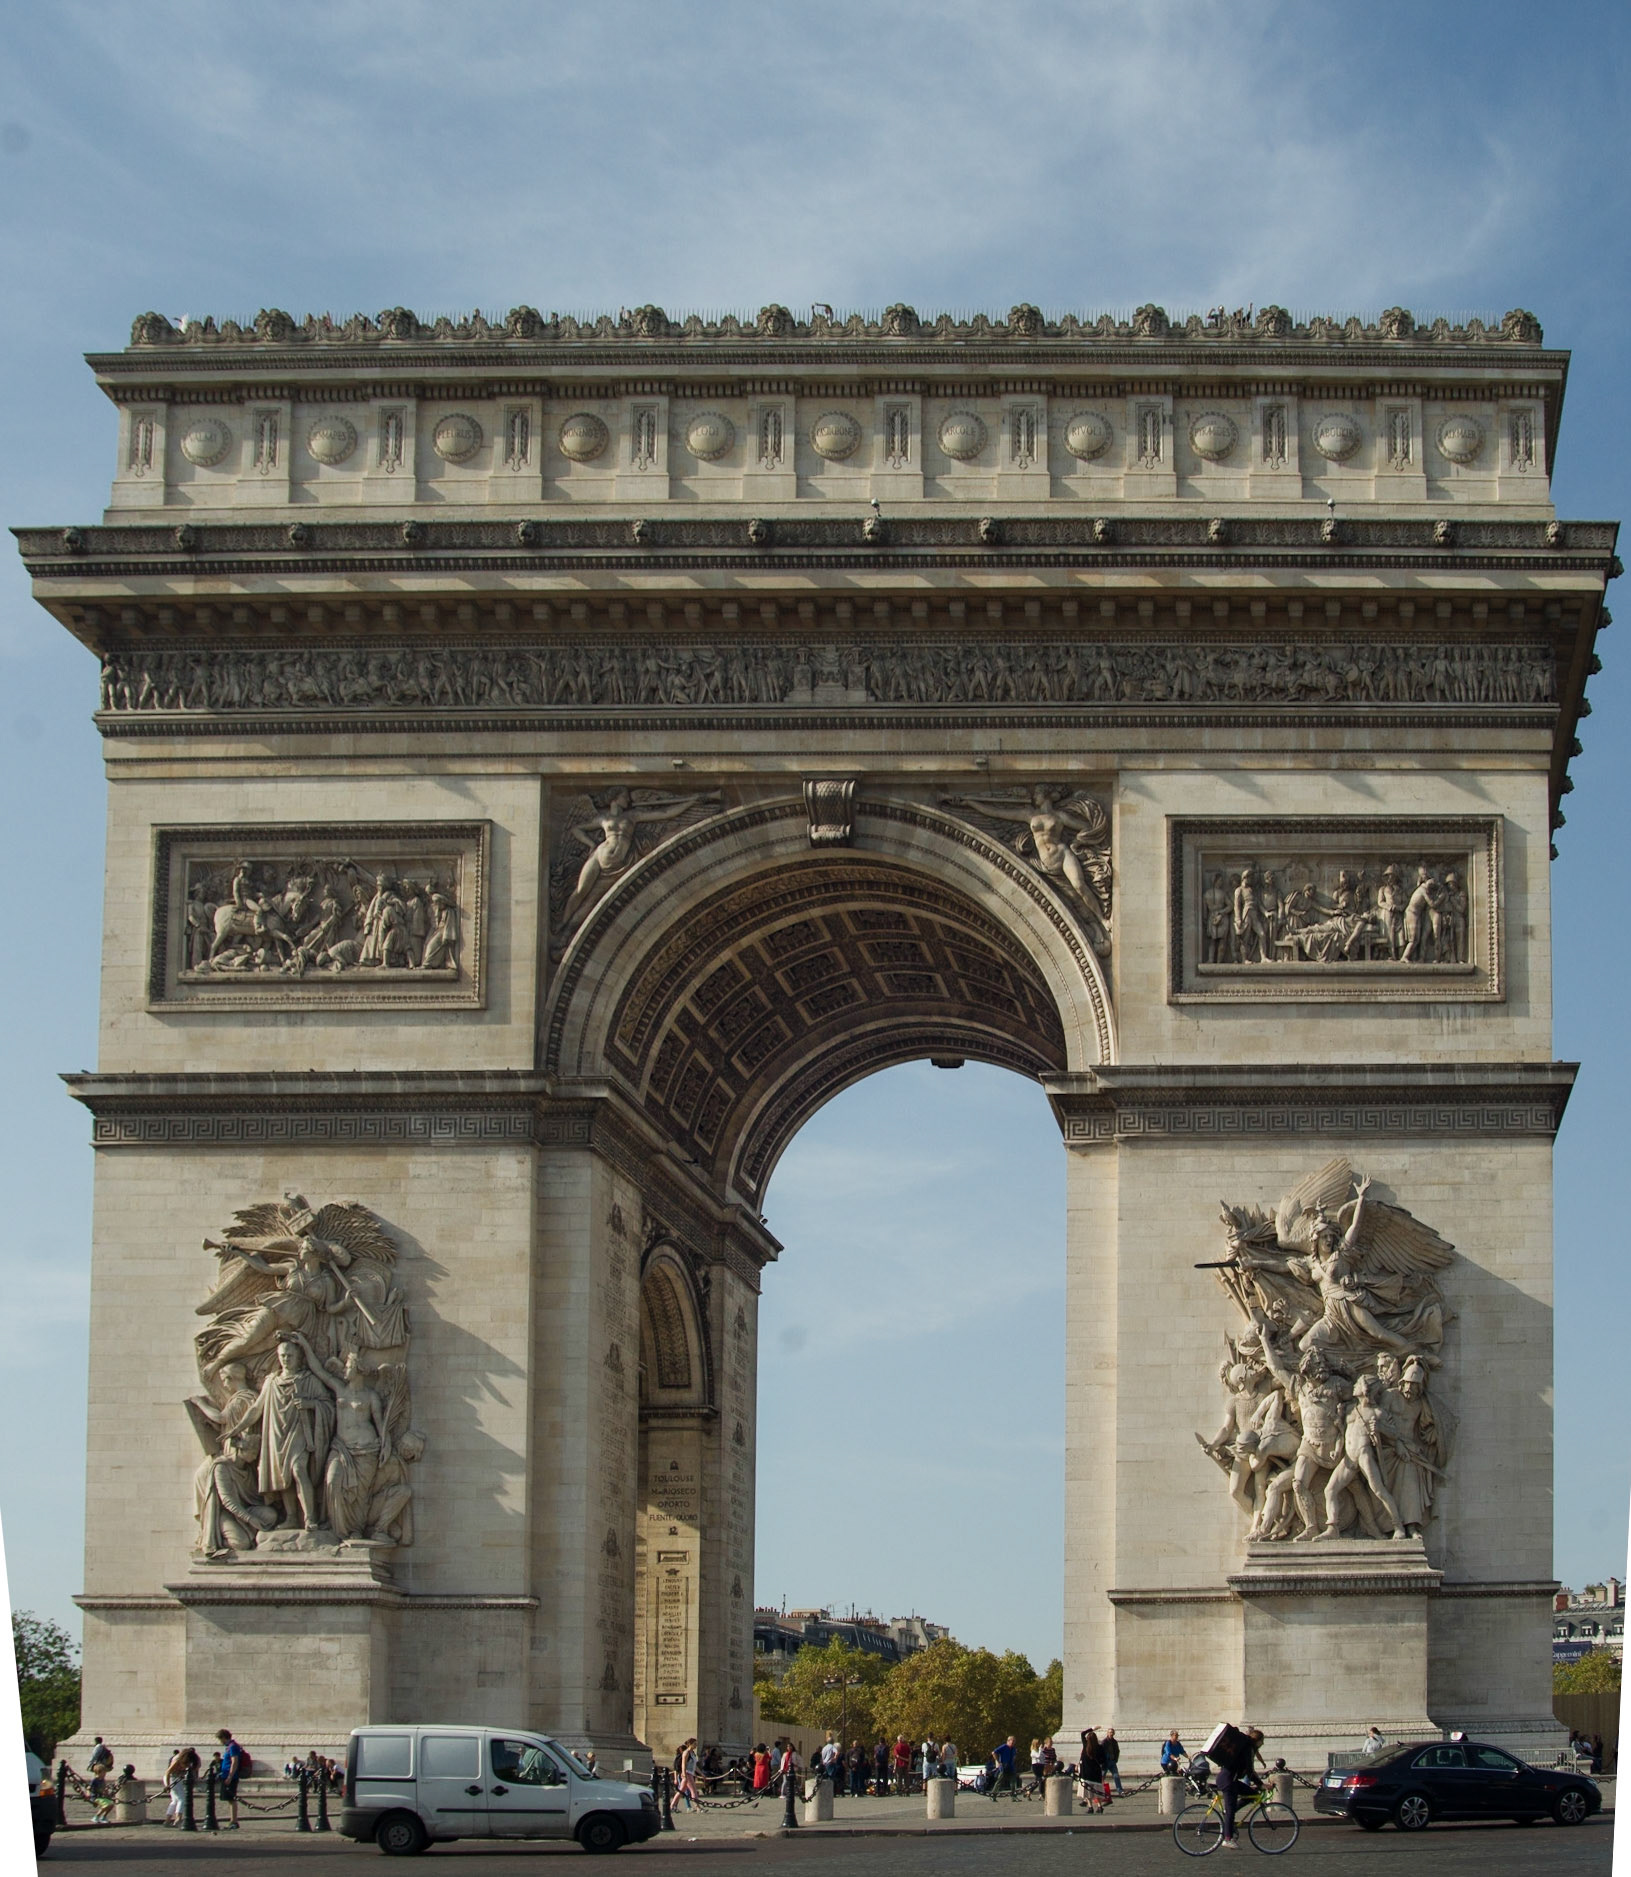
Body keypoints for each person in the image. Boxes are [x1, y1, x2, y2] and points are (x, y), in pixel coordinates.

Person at [1211, 1724, 1265, 1850]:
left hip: (1228, 1780)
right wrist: (1261, 1784)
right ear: (1258, 1741)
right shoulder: (1248, 1748)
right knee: (1230, 1812)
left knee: (1253, 1795)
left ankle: (1230, 1813)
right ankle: (1227, 1839)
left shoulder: (1244, 1745)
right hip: (1229, 1781)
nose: (1262, 1744)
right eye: (1262, 1741)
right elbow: (1249, 1771)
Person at [216, 1728, 245, 1829]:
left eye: (220, 1739)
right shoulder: (229, 1746)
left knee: (232, 1799)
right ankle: (232, 1820)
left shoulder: (233, 1747)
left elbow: (234, 1762)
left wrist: (230, 1776)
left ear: (224, 1737)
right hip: (226, 1775)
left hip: (230, 1776)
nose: (220, 1742)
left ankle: (234, 1821)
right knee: (229, 1799)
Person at [164, 1746, 199, 1825]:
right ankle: (178, 1818)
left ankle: (168, 1819)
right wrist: (168, 1785)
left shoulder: (187, 1759)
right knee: (182, 1798)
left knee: (175, 1800)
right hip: (172, 1778)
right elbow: (168, 1772)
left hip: (177, 1778)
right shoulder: (177, 1760)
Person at [1078, 1729, 1105, 1813]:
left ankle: (1090, 1807)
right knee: (1097, 1790)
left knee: (1088, 1791)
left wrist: (1092, 1728)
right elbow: (1103, 1760)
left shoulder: (1086, 1745)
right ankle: (1100, 1806)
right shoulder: (1100, 1748)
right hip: (1096, 1772)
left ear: (1087, 1739)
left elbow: (1082, 1733)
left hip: (1086, 1773)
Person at [989, 1734, 1018, 1801]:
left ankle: (1013, 1796)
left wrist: (1013, 1761)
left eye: (1014, 1741)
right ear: (1008, 1741)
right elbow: (994, 1752)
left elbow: (1014, 1756)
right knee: (999, 1782)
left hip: (1011, 1767)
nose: (1013, 1742)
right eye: (1012, 1741)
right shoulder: (1004, 1747)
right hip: (1004, 1767)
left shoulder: (1013, 1749)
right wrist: (998, 1761)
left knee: (1013, 1782)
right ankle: (993, 1795)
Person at [1102, 1727, 1122, 1795]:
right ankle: (1099, 1790)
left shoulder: (1114, 1742)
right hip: (1105, 1762)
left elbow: (1117, 1751)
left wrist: (1116, 1759)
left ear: (1114, 1733)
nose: (1111, 1734)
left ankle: (1120, 1790)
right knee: (1102, 1776)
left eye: (1112, 1732)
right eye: (1109, 1732)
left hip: (1112, 1761)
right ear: (1107, 1733)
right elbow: (1101, 1752)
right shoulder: (1104, 1742)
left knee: (1116, 1776)